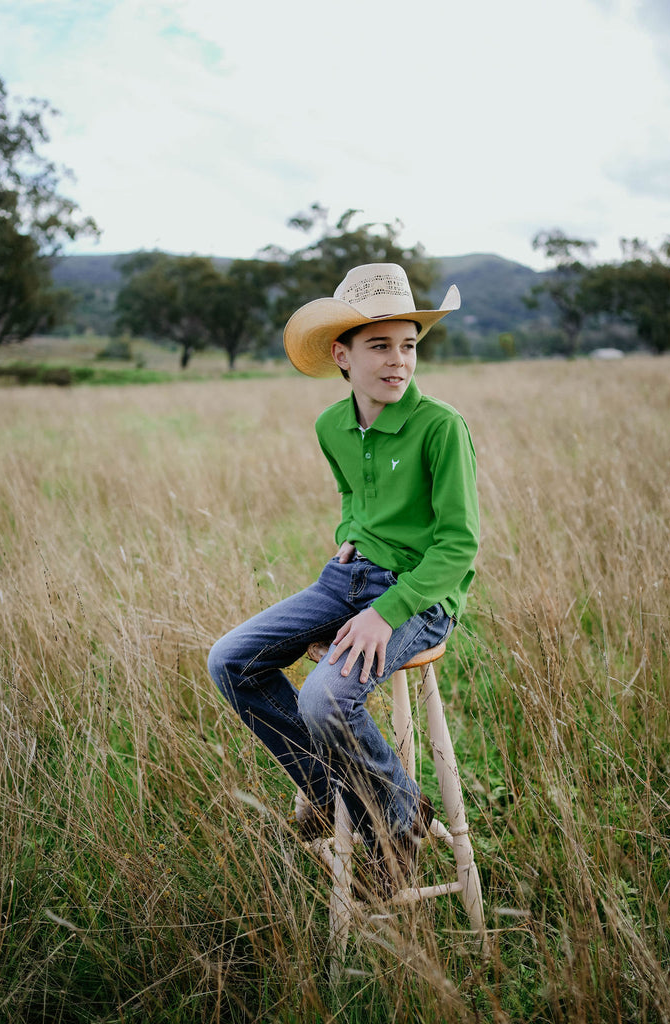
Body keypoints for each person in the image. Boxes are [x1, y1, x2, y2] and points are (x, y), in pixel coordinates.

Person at [207, 263, 479, 892]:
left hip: (418, 596)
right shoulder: (331, 425)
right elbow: (352, 497)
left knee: (325, 696)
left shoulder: (441, 427)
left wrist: (386, 612)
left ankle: (397, 823)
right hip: (346, 580)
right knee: (231, 662)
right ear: (343, 355)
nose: (397, 361)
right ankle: (342, 796)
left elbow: (458, 544)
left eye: (407, 345)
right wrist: (347, 538)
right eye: (379, 345)